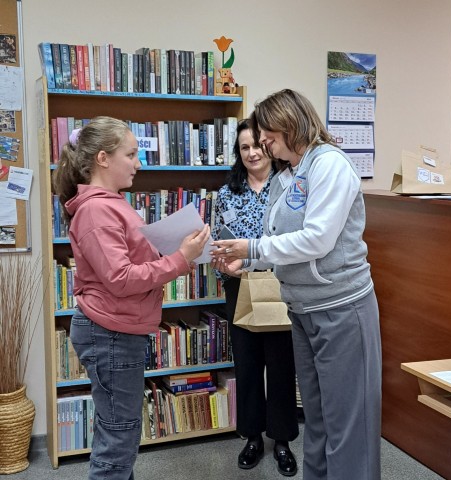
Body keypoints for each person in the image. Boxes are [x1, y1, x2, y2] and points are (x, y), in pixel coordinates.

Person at [211, 89, 382, 480]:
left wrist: (253, 247)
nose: (264, 145)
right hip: (301, 309)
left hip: (340, 306)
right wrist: (247, 260)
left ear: (290, 124)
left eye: (268, 136)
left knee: (348, 422)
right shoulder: (287, 175)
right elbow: (278, 240)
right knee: (318, 418)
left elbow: (317, 239)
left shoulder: (329, 164)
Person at [53, 116, 210, 480]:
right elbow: (121, 279)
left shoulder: (111, 203)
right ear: (103, 159)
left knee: (117, 430)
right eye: (131, 154)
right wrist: (179, 258)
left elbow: (128, 263)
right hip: (110, 332)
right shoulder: (97, 210)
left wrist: (175, 255)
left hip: (116, 329)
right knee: (119, 436)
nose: (138, 163)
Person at [211, 119, 299, 476]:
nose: (251, 153)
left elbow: (297, 237)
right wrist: (226, 267)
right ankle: (252, 438)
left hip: (280, 284)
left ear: (268, 147)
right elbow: (218, 242)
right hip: (240, 285)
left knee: (281, 365)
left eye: (257, 146)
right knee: (247, 365)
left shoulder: (289, 185)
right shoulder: (227, 192)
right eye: (244, 147)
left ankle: (282, 440)